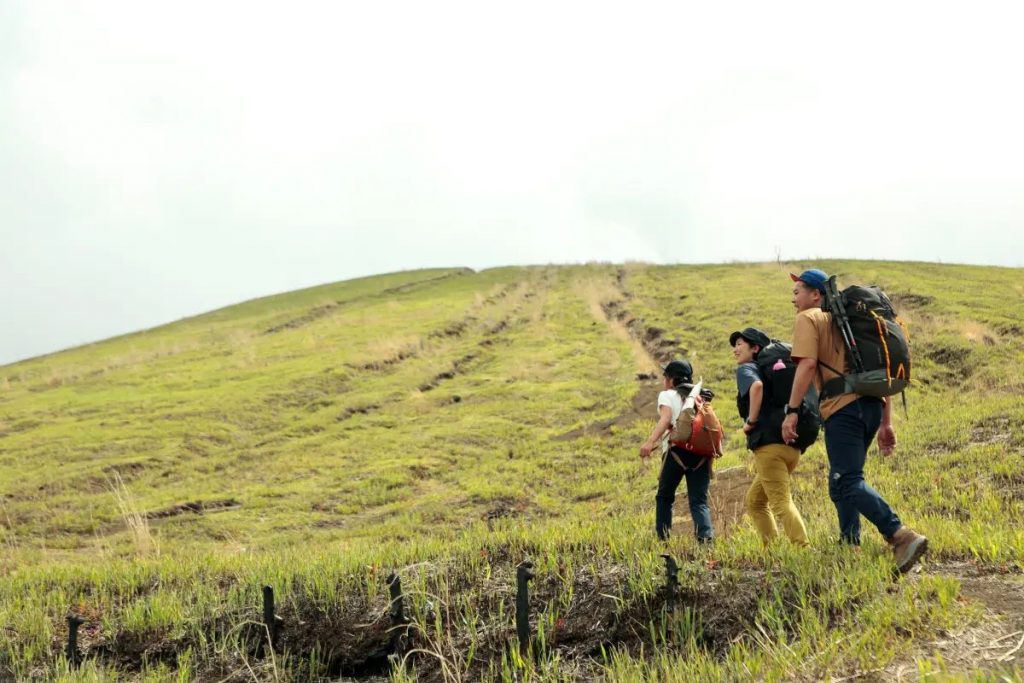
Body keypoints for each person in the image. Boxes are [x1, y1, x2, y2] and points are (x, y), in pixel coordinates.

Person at [782, 268, 927, 572]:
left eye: (798, 291)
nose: (793, 297)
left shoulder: (809, 319)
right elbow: (874, 373)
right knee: (842, 480)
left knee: (846, 480)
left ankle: (900, 535)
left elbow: (807, 365)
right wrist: (886, 423)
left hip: (843, 409)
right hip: (871, 407)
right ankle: (850, 544)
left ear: (816, 295)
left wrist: (792, 410)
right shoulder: (852, 327)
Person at [731, 327, 809, 547]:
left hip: (769, 448)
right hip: (791, 447)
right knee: (755, 501)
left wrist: (751, 422)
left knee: (781, 502)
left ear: (755, 348)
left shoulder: (747, 370)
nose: (735, 349)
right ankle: (772, 550)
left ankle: (803, 548)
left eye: (739, 344)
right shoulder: (774, 373)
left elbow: (756, 388)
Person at [639, 359, 715, 542]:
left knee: (665, 497)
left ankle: (663, 540)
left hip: (676, 452)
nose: (664, 381)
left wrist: (649, 442)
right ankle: (706, 541)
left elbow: (665, 419)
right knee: (699, 501)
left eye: (666, 377)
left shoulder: (667, 395)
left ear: (672, 380)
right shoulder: (700, 396)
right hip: (700, 454)